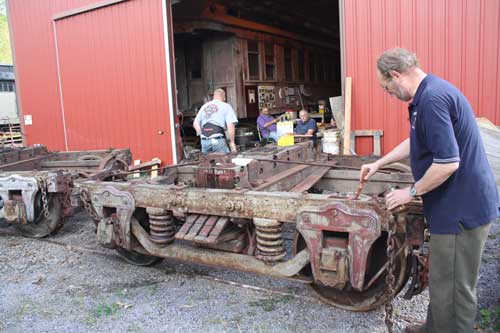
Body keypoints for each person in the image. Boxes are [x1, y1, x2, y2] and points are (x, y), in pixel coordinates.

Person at [360, 48, 499, 333]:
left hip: (461, 209)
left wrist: (410, 192)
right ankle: (434, 328)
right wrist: (379, 162)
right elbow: (416, 142)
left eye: (386, 87)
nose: (388, 93)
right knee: (441, 280)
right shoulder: (427, 95)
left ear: (395, 75)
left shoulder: (433, 99)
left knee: (456, 289)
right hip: (452, 206)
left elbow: (448, 164)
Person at [193, 88, 238, 154]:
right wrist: (232, 143)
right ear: (223, 96)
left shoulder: (204, 106)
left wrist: (201, 135)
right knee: (225, 161)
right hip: (218, 139)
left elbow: (195, 123)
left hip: (204, 141)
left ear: (214, 96)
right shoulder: (226, 106)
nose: (224, 99)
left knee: (207, 163)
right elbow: (230, 125)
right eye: (224, 97)